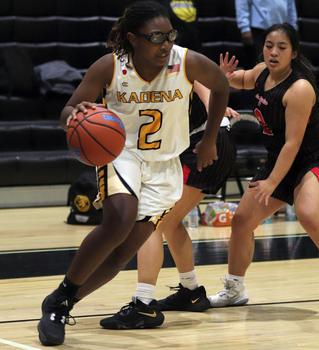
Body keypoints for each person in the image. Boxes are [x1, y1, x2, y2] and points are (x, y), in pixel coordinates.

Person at [37, 1, 229, 346]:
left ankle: (62, 301)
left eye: (170, 35)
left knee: (122, 252)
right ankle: (58, 303)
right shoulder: (109, 66)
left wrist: (211, 138)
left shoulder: (186, 61)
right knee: (119, 218)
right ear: (133, 38)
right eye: (156, 37)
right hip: (120, 153)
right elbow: (67, 109)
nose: (166, 43)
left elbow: (220, 85)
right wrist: (74, 114)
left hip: (165, 163)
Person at [208, 23, 319, 313]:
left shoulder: (299, 88)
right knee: (241, 222)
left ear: (294, 53)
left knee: (309, 214)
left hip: (312, 159)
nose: (273, 52)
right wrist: (223, 77)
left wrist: (273, 182)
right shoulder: (262, 72)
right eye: (269, 45)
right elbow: (242, 79)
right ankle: (234, 288)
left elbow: (293, 144)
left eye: (281, 47)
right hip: (278, 161)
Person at [98, 81, 239, 329]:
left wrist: (215, 108)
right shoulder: (132, 77)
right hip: (204, 141)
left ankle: (143, 304)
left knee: (150, 221)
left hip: (205, 140)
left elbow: (198, 80)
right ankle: (191, 291)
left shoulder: (163, 61)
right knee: (170, 223)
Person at [235, 0, 297, 68]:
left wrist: (293, 30)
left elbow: (291, 8)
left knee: (279, 65)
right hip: (258, 30)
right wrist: (244, 27)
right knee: (258, 65)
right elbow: (242, 3)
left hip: (282, 30)